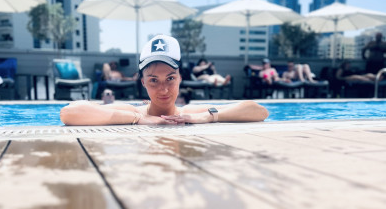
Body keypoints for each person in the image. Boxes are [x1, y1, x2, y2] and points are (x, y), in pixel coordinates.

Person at [60, 35, 268, 126]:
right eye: (153, 80)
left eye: (170, 78)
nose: (163, 89)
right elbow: (69, 113)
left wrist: (207, 117)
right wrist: (138, 120)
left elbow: (259, 111)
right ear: (143, 83)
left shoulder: (189, 113)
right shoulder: (134, 112)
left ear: (180, 79)